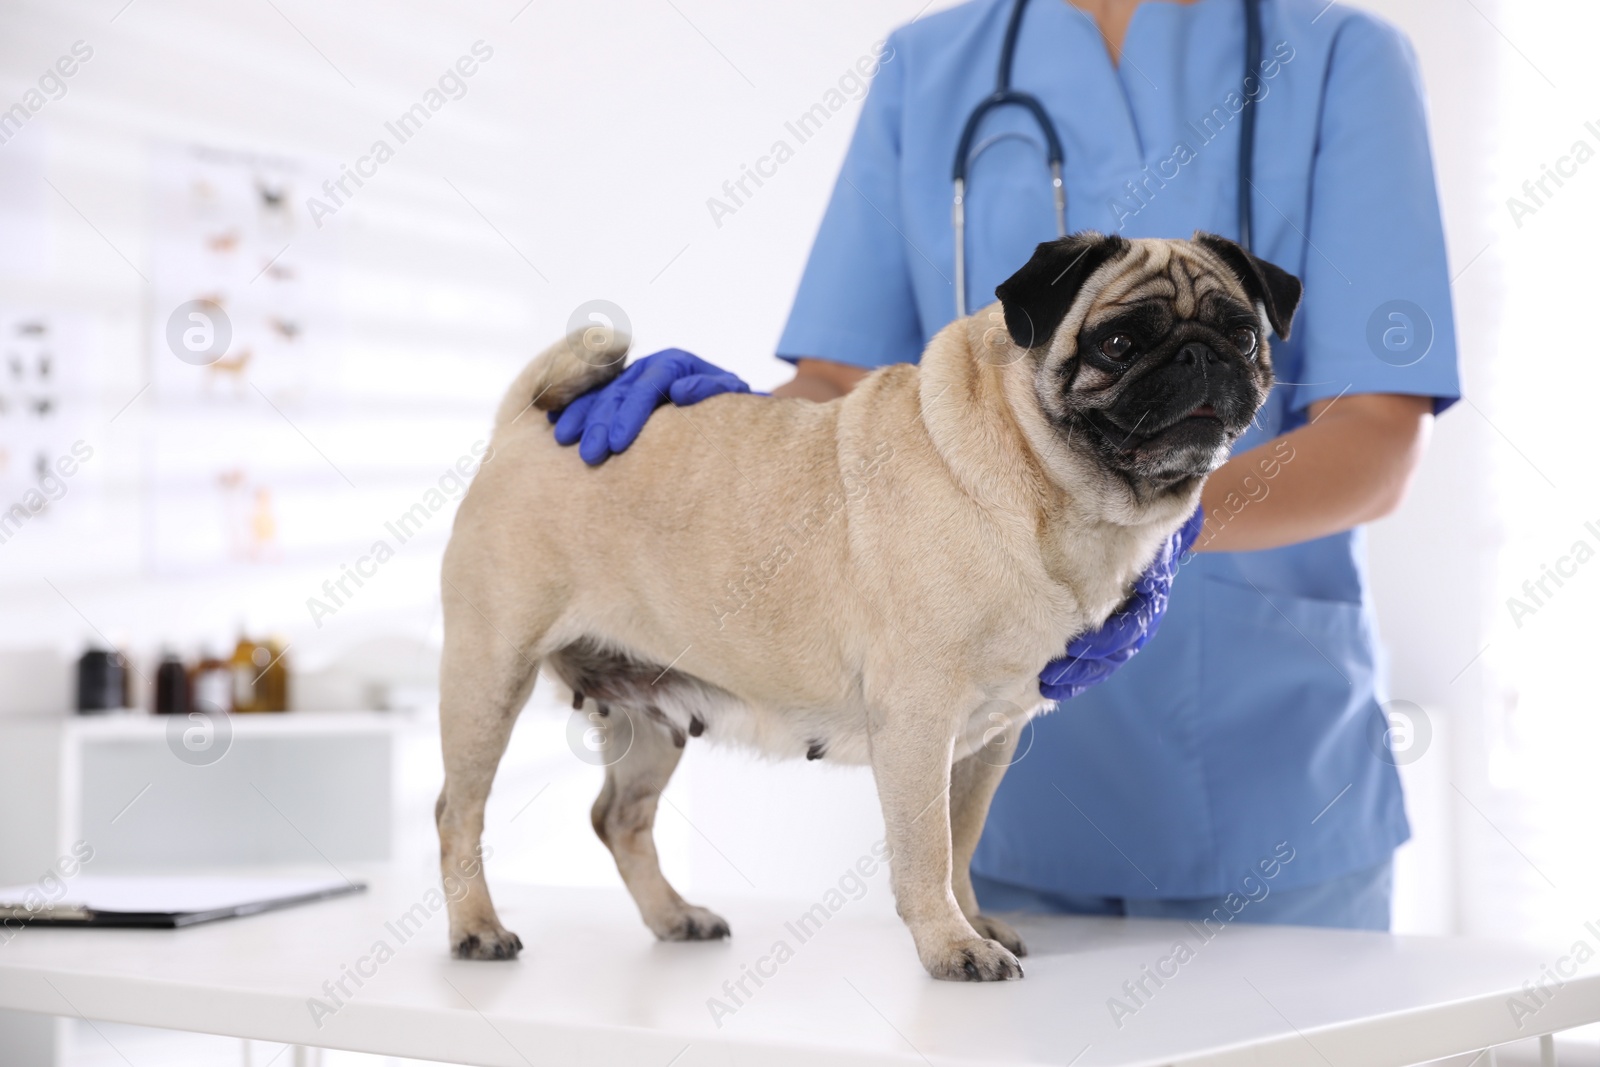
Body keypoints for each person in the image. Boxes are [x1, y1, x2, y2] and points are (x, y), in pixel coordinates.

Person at [551, 0, 1459, 931]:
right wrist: (692, 449)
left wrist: (1153, 532)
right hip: (1001, 793)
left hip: (1267, 787)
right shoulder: (931, 64)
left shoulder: (1341, 54)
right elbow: (838, 380)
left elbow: (1376, 436)